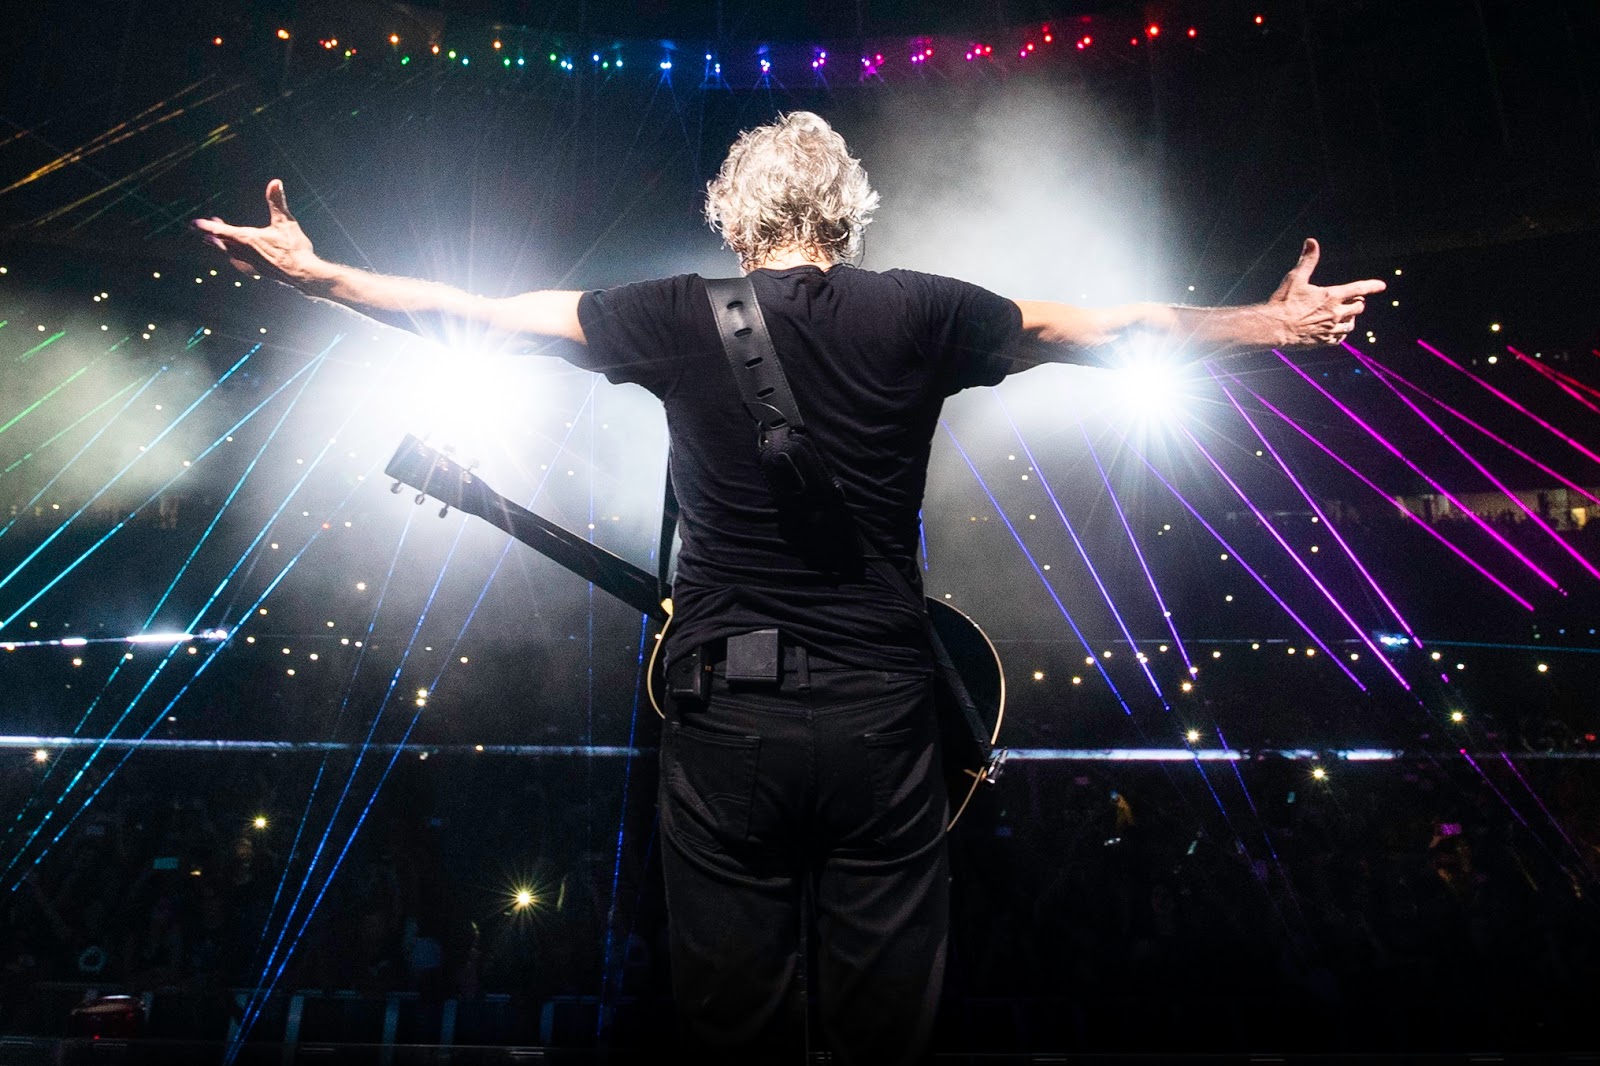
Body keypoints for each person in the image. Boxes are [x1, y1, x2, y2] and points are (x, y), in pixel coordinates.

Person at [194, 111, 1383, 1064]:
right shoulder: (923, 309)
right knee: (884, 1029)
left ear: (732, 214)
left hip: (726, 719)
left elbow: (480, 317)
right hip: (884, 714)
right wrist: (1270, 326)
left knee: (732, 1026)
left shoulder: (672, 315)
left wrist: (319, 276)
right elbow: (1114, 328)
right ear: (849, 212)